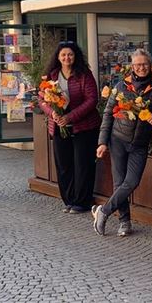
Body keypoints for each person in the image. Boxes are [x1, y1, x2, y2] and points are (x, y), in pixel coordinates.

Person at [93, 49, 152, 237]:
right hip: (117, 140)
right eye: (138, 65)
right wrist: (102, 142)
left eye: (145, 64)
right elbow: (108, 114)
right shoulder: (121, 86)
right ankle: (125, 222)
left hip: (140, 143)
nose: (141, 68)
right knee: (119, 183)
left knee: (131, 181)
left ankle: (104, 211)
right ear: (132, 67)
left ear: (150, 65)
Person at [38, 42, 100, 214]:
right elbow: (41, 99)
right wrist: (53, 114)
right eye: (63, 55)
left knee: (83, 164)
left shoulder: (84, 75)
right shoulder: (51, 76)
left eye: (70, 54)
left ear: (75, 56)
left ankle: (82, 202)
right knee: (64, 165)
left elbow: (92, 100)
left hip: (84, 126)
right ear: (58, 57)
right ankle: (69, 200)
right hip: (59, 126)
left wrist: (70, 117)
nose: (67, 58)